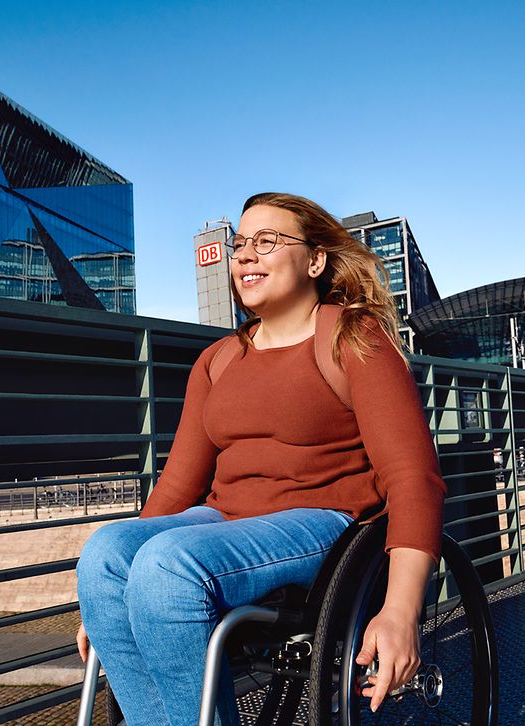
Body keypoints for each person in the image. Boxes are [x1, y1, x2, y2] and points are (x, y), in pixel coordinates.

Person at [75, 192, 446, 725]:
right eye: (241, 244)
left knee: (166, 566)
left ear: (315, 261)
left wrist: (401, 612)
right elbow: (178, 485)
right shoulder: (218, 360)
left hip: (322, 521)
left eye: (267, 241)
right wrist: (108, 599)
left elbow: (412, 476)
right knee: (106, 554)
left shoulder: (352, 338)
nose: (246, 254)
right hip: (226, 521)